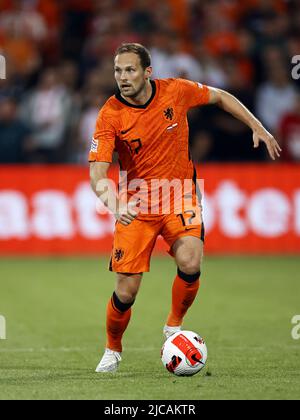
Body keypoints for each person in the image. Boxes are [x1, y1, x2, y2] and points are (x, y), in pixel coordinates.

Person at [89, 43, 281, 373]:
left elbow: (220, 96)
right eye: (118, 70)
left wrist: (257, 125)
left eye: (130, 69)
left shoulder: (175, 91)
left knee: (190, 260)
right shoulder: (110, 114)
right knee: (127, 290)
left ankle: (173, 325)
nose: (123, 77)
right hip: (136, 203)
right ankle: (113, 348)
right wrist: (113, 203)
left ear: (147, 72)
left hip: (181, 195)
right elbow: (97, 172)